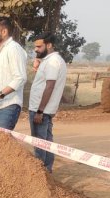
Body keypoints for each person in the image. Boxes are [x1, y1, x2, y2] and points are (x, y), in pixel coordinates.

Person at [28, 32, 67, 173]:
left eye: (39, 46)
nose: (36, 49)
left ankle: (41, 174)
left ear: (49, 45)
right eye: (35, 47)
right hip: (44, 110)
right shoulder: (53, 61)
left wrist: (39, 111)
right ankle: (47, 172)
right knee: (47, 142)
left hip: (40, 111)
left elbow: (50, 86)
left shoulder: (52, 62)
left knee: (39, 144)